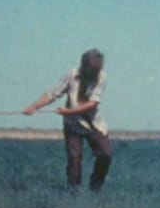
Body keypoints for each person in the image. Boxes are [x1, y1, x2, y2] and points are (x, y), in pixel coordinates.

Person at [23, 49, 112, 192]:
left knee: (106, 155)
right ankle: (73, 192)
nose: (94, 73)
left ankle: (95, 188)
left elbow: (92, 104)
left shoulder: (102, 77)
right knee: (74, 159)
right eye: (91, 69)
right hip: (72, 123)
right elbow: (53, 94)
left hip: (93, 122)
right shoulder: (71, 75)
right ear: (83, 66)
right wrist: (34, 106)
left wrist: (67, 111)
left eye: (97, 69)